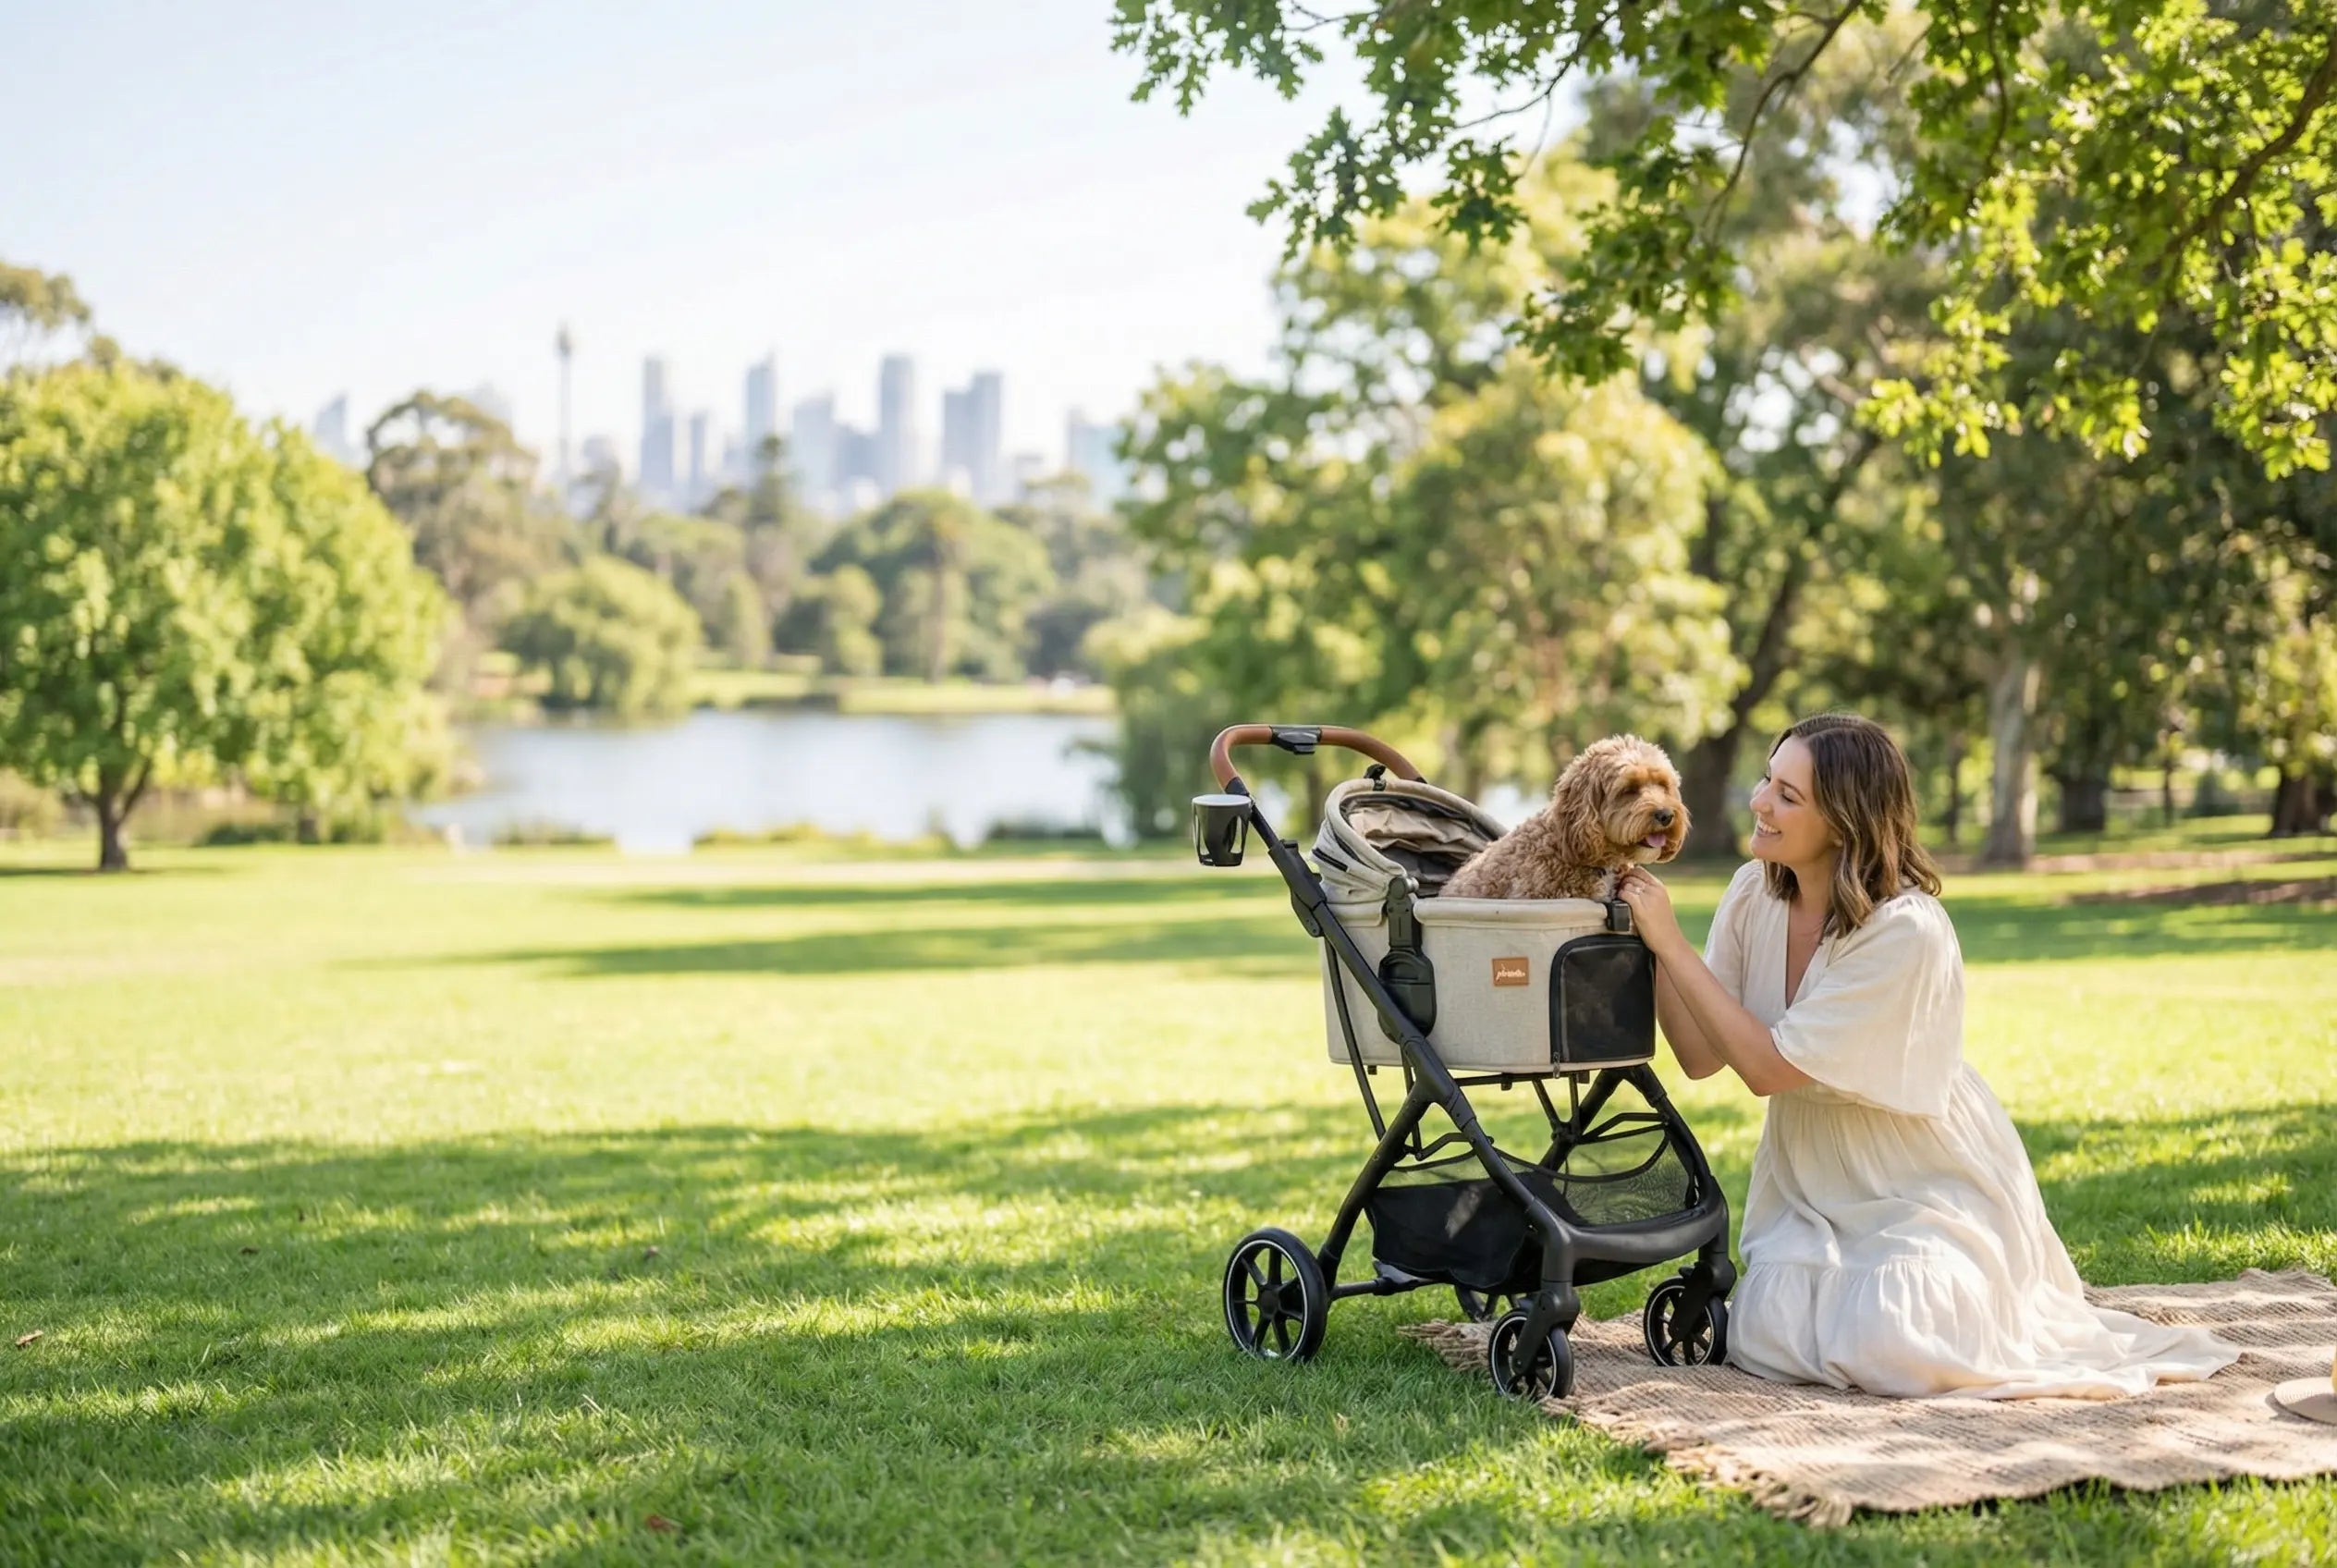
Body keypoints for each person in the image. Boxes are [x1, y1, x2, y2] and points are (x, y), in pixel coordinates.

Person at [1613, 713, 2236, 1399]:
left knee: (1897, 1338)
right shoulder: (1752, 891)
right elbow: (1701, 1057)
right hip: (1808, 1181)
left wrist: (1672, 945)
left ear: (1847, 822)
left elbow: (1765, 1069)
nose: (1760, 802)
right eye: (1768, 778)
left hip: (1920, 1181)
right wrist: (1649, 946)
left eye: (1789, 795)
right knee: (1769, 1334)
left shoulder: (1906, 932)